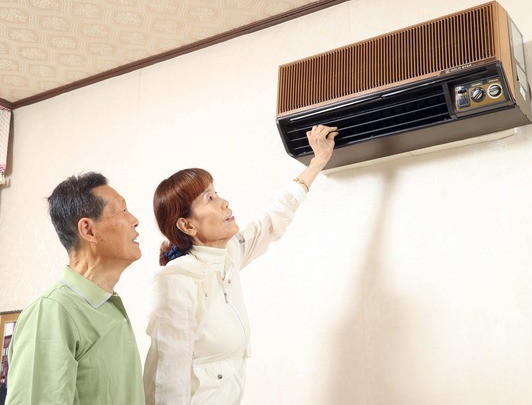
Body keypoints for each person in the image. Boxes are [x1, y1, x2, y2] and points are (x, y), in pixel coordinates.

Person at [143, 124, 338, 404]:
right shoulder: (177, 279)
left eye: (216, 192)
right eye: (209, 198)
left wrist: (317, 162)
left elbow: (271, 219)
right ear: (186, 224)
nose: (224, 202)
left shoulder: (229, 256)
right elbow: (168, 383)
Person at [6, 172, 145, 404]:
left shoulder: (111, 309)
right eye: (122, 210)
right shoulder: (52, 311)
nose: (134, 220)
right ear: (88, 230)